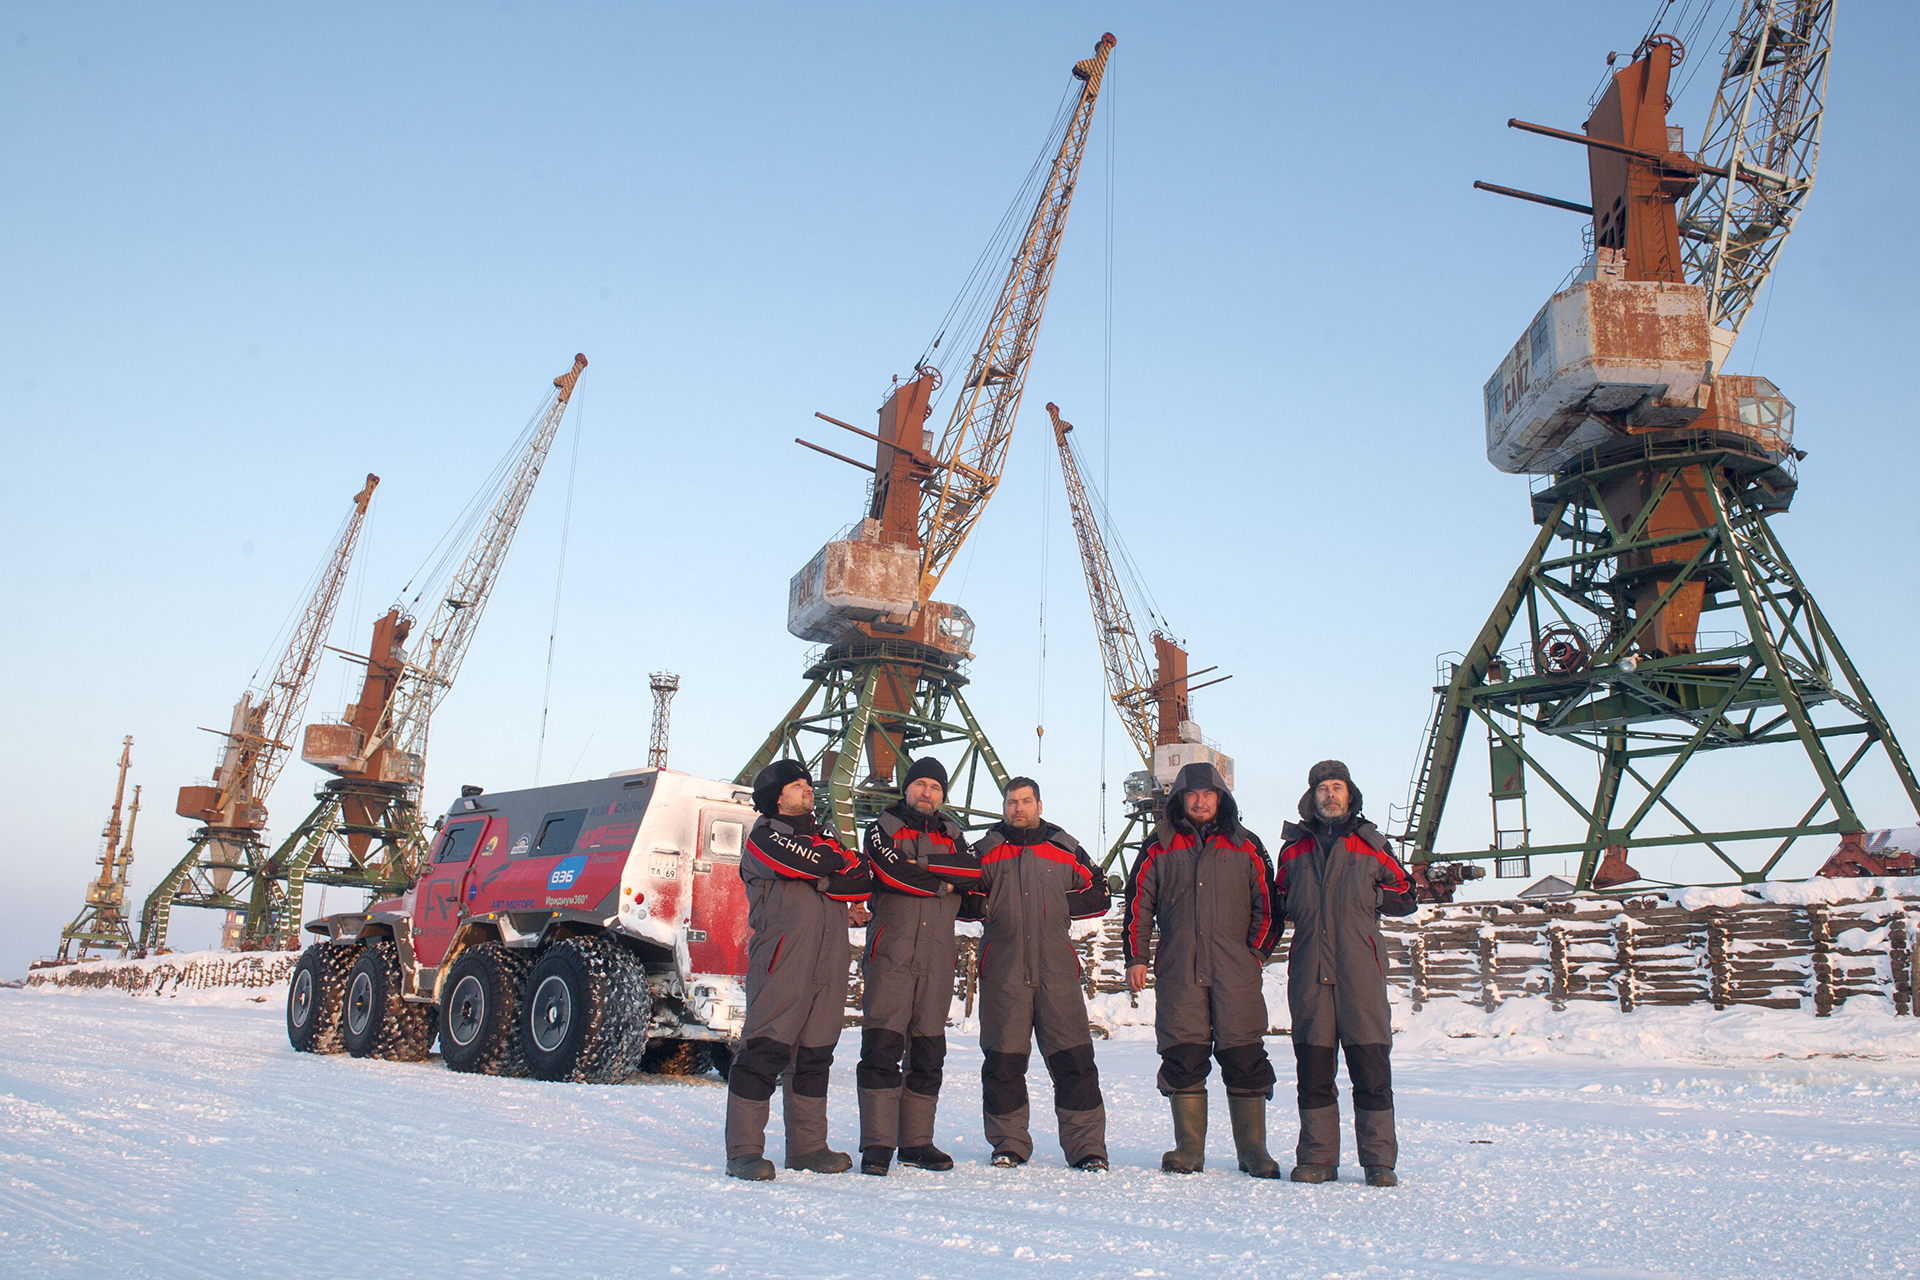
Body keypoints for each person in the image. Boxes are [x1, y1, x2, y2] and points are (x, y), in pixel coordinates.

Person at [1123, 761, 1281, 1178]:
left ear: (1220, 799)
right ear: (1179, 799)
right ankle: (1189, 1149)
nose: (1199, 802)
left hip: (1235, 973)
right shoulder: (1158, 846)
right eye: (1191, 795)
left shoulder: (1246, 845)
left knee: (1244, 1054)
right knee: (1183, 1053)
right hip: (1180, 970)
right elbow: (1139, 904)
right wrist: (1137, 957)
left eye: (1208, 794)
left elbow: (1269, 905)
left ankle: (1254, 1152)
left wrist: (1255, 954)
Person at [723, 760, 871, 1182]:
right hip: (782, 959)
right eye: (797, 784)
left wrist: (824, 876)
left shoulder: (824, 837)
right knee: (764, 1051)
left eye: (807, 781)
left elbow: (861, 878)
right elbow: (810, 864)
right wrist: (829, 873)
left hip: (829, 960)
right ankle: (744, 1152)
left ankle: (808, 1148)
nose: (808, 787)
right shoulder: (763, 838)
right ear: (776, 797)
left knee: (815, 1054)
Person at [1274, 759, 1417, 1188]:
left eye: (1336, 787)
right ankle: (1317, 1158)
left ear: (1349, 794)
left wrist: (1373, 894)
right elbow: (1277, 901)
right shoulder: (1293, 850)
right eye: (1323, 789)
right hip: (1309, 972)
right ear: (1312, 797)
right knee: (1313, 1070)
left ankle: (1379, 1161)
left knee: (1370, 1068)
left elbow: (1405, 893)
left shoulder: (1371, 844)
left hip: (1361, 972)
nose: (1330, 795)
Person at [971, 776, 1111, 1170]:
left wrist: (1060, 906)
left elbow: (1100, 892)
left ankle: (1087, 1148)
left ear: (1039, 806)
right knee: (1003, 1064)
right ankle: (1008, 1144)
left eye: (1026, 801)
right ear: (1004, 808)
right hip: (1003, 973)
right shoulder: (984, 851)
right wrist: (991, 907)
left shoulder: (1064, 848)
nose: (1019, 808)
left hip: (1057, 973)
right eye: (1012, 802)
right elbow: (961, 895)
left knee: (1074, 1063)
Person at [856, 756, 982, 1176]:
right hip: (891, 954)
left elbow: (972, 873)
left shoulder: (953, 833)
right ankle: (877, 1145)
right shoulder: (882, 827)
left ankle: (916, 1142)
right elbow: (892, 874)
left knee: (928, 1054)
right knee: (882, 1049)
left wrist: (923, 869)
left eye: (935, 787)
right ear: (906, 787)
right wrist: (944, 882)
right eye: (921, 784)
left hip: (936, 958)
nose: (927, 793)